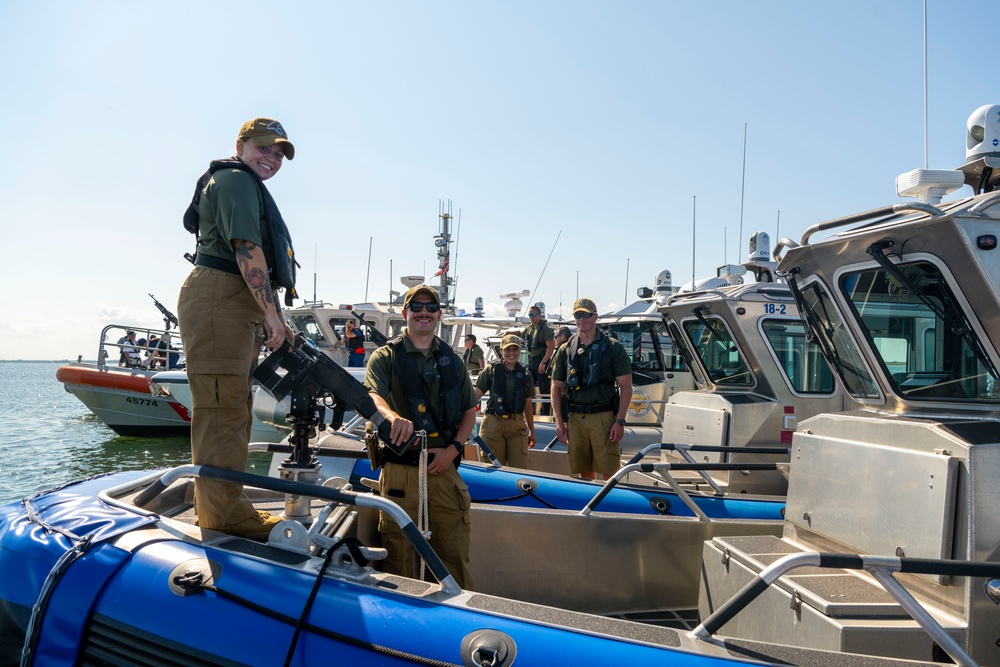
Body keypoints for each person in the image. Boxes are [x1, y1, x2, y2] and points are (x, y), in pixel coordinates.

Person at [177, 117, 297, 540]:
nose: (272, 158)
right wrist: (270, 315)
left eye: (279, 152)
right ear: (241, 145)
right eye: (264, 148)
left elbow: (257, 260)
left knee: (233, 407)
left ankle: (225, 505)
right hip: (220, 297)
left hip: (234, 298)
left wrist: (274, 316)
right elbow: (246, 248)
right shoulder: (234, 180)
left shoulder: (245, 183)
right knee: (220, 410)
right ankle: (221, 515)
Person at [364, 284, 477, 589]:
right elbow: (373, 395)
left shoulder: (452, 362)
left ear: (439, 315)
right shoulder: (386, 357)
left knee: (454, 560)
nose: (423, 313)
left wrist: (453, 450)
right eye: (416, 307)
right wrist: (391, 417)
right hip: (400, 472)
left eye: (430, 307)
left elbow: (470, 410)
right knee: (398, 563)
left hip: (443, 469)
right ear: (405, 314)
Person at [551, 298, 633, 480]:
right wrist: (559, 423)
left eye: (586, 315)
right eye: (578, 315)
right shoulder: (565, 350)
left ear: (595, 317)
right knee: (583, 469)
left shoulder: (613, 348)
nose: (582, 319)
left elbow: (626, 387)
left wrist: (620, 421)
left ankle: (610, 506)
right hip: (575, 418)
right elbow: (556, 388)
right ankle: (590, 505)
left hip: (603, 417)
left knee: (609, 469)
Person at [474, 334, 535, 467]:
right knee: (493, 471)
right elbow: (474, 397)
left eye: (515, 349)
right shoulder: (490, 371)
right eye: (507, 349)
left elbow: (528, 405)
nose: (511, 353)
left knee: (521, 470)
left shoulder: (526, 374)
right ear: (501, 351)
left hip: (516, 425)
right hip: (493, 424)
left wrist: (532, 431)